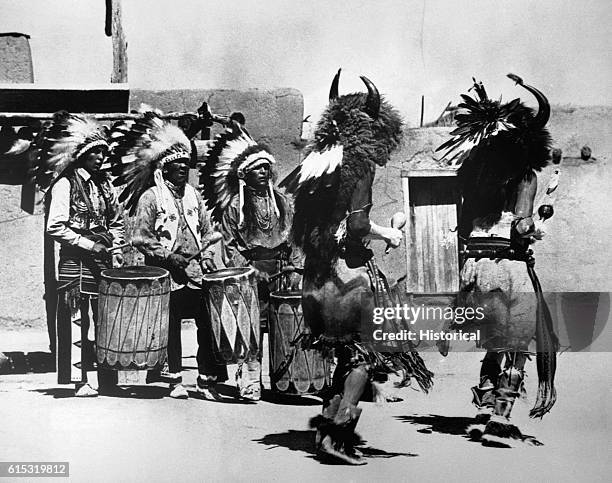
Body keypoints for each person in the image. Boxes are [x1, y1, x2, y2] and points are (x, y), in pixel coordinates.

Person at [281, 70, 433, 464]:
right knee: (365, 356)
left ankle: (325, 431)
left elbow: (309, 228)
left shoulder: (316, 164)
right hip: (348, 280)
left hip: (315, 279)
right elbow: (358, 225)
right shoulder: (360, 164)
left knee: (342, 357)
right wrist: (386, 234)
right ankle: (336, 437)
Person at [438, 74, 559, 446]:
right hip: (509, 270)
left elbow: (458, 225)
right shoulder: (524, 176)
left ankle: (485, 404)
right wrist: (534, 224)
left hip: (476, 270)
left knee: (494, 339)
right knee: (518, 341)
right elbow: (522, 225)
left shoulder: (472, 179)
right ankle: (500, 416)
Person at [112, 111, 222, 399]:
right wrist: (169, 257)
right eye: (178, 166)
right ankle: (174, 380)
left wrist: (209, 254)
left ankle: (205, 379)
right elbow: (140, 238)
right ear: (166, 169)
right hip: (166, 274)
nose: (184, 170)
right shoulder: (151, 197)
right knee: (170, 327)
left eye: (187, 166)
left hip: (196, 273)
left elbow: (208, 232)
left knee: (206, 325)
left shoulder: (194, 196)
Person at [200, 118, 302, 401]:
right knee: (251, 329)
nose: (264, 172)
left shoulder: (282, 202)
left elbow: (294, 237)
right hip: (251, 274)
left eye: (266, 168)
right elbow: (230, 246)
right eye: (257, 168)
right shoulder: (235, 207)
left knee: (283, 328)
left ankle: (284, 382)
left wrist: (294, 268)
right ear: (244, 175)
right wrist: (247, 273)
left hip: (282, 271)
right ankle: (250, 384)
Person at [41, 111, 125, 397]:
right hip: (76, 260)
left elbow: (116, 221)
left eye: (103, 153)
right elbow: (55, 226)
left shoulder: (105, 185)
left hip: (102, 260)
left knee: (105, 317)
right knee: (79, 318)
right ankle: (81, 379)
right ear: (82, 155)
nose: (101, 158)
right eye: (95, 153)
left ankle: (107, 378)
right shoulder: (65, 184)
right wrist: (89, 245)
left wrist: (115, 244)